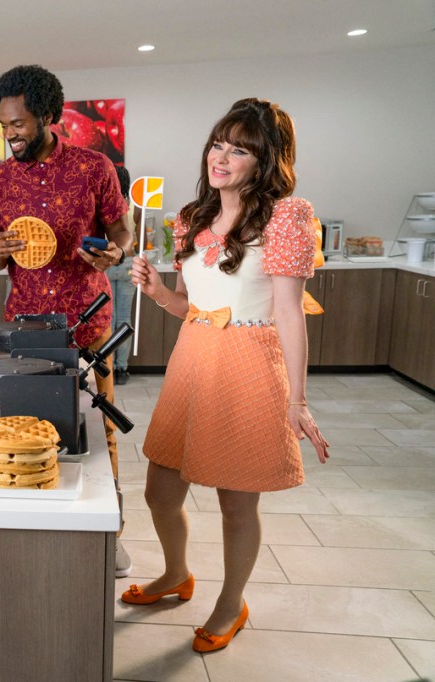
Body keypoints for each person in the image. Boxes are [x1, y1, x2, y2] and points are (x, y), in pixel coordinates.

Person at [125, 98, 330, 653]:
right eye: (219, 143)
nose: (222, 156)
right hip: (193, 359)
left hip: (250, 362)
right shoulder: (191, 218)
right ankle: (176, 574)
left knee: (236, 503)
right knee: (160, 491)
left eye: (240, 149)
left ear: (265, 161)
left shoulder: (286, 216)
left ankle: (231, 602)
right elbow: (190, 304)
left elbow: (289, 311)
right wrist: (157, 291)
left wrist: (298, 399)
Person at [0, 64, 134, 576]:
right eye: (4, 124)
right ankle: (34, 531)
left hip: (89, 321)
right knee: (27, 431)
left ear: (47, 115)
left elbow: (121, 230)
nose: (10, 134)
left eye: (19, 123)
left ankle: (109, 536)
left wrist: (114, 251)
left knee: (98, 431)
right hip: (25, 327)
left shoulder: (94, 168)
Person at [106, 166, 143, 385]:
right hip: (129, 262)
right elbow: (142, 235)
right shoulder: (135, 206)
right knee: (125, 318)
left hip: (111, 261)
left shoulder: (107, 204)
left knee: (108, 320)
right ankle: (122, 369)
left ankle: (108, 365)